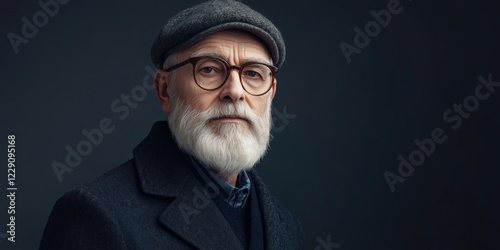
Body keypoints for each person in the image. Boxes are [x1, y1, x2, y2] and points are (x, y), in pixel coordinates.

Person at [40, 0, 303, 249]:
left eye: (253, 74)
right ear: (165, 90)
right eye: (209, 69)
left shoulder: (284, 223)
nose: (235, 91)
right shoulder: (95, 213)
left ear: (270, 93)